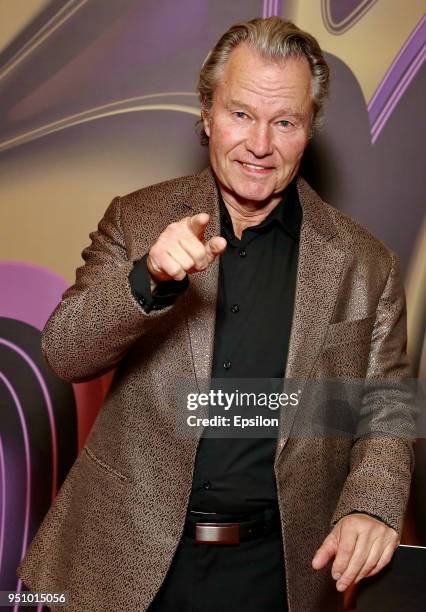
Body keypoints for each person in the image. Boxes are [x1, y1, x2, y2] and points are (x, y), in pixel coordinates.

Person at [17, 17, 415, 612]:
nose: (260, 144)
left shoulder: (366, 263)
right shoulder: (137, 219)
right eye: (240, 114)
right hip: (126, 558)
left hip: (275, 573)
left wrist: (371, 502)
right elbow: (66, 353)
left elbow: (386, 407)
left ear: (308, 131)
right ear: (206, 114)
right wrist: (147, 278)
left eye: (284, 122)